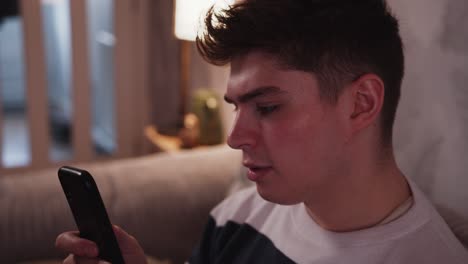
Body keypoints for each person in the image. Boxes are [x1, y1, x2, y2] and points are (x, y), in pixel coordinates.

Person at [55, 0, 468, 263]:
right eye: (237, 106)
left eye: (267, 107)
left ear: (361, 103)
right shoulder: (238, 217)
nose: (235, 138)